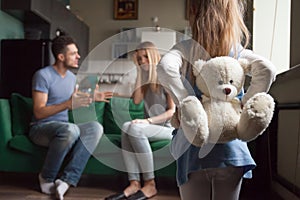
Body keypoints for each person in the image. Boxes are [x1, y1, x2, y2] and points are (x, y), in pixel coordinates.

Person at [156, 0, 277, 200]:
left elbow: (164, 69)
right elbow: (268, 70)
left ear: (193, 11)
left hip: (193, 150)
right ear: (233, 15)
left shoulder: (186, 49)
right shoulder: (238, 53)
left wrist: (186, 102)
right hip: (231, 148)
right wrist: (244, 104)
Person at [29, 35, 112, 200]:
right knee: (71, 129)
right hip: (41, 129)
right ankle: (47, 177)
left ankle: (68, 179)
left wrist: (93, 97)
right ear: (61, 57)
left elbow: (77, 99)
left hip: (64, 128)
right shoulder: (43, 75)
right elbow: (39, 112)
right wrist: (68, 104)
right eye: (74, 53)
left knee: (96, 127)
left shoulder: (72, 78)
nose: (78, 56)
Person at [105, 41, 175, 200]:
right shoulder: (144, 79)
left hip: (169, 129)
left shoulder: (166, 77)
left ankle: (150, 184)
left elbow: (172, 111)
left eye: (145, 57)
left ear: (153, 56)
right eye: (139, 59)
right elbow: (136, 101)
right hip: (150, 128)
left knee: (134, 128)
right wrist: (138, 71)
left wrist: (148, 121)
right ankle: (134, 183)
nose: (142, 61)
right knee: (125, 126)